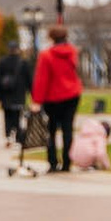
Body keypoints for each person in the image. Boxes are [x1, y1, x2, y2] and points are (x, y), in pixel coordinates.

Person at [31, 24, 82, 173]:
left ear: (51, 38)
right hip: (72, 94)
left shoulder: (46, 55)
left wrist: (37, 101)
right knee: (68, 129)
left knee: (50, 130)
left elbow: (42, 79)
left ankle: (52, 162)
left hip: (52, 97)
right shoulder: (72, 52)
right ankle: (67, 162)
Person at [0, 44, 32, 145]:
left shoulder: (2, 62)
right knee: (17, 116)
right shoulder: (23, 63)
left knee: (7, 116)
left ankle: (8, 135)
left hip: (6, 95)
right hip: (19, 94)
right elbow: (29, 80)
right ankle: (18, 137)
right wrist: (32, 93)